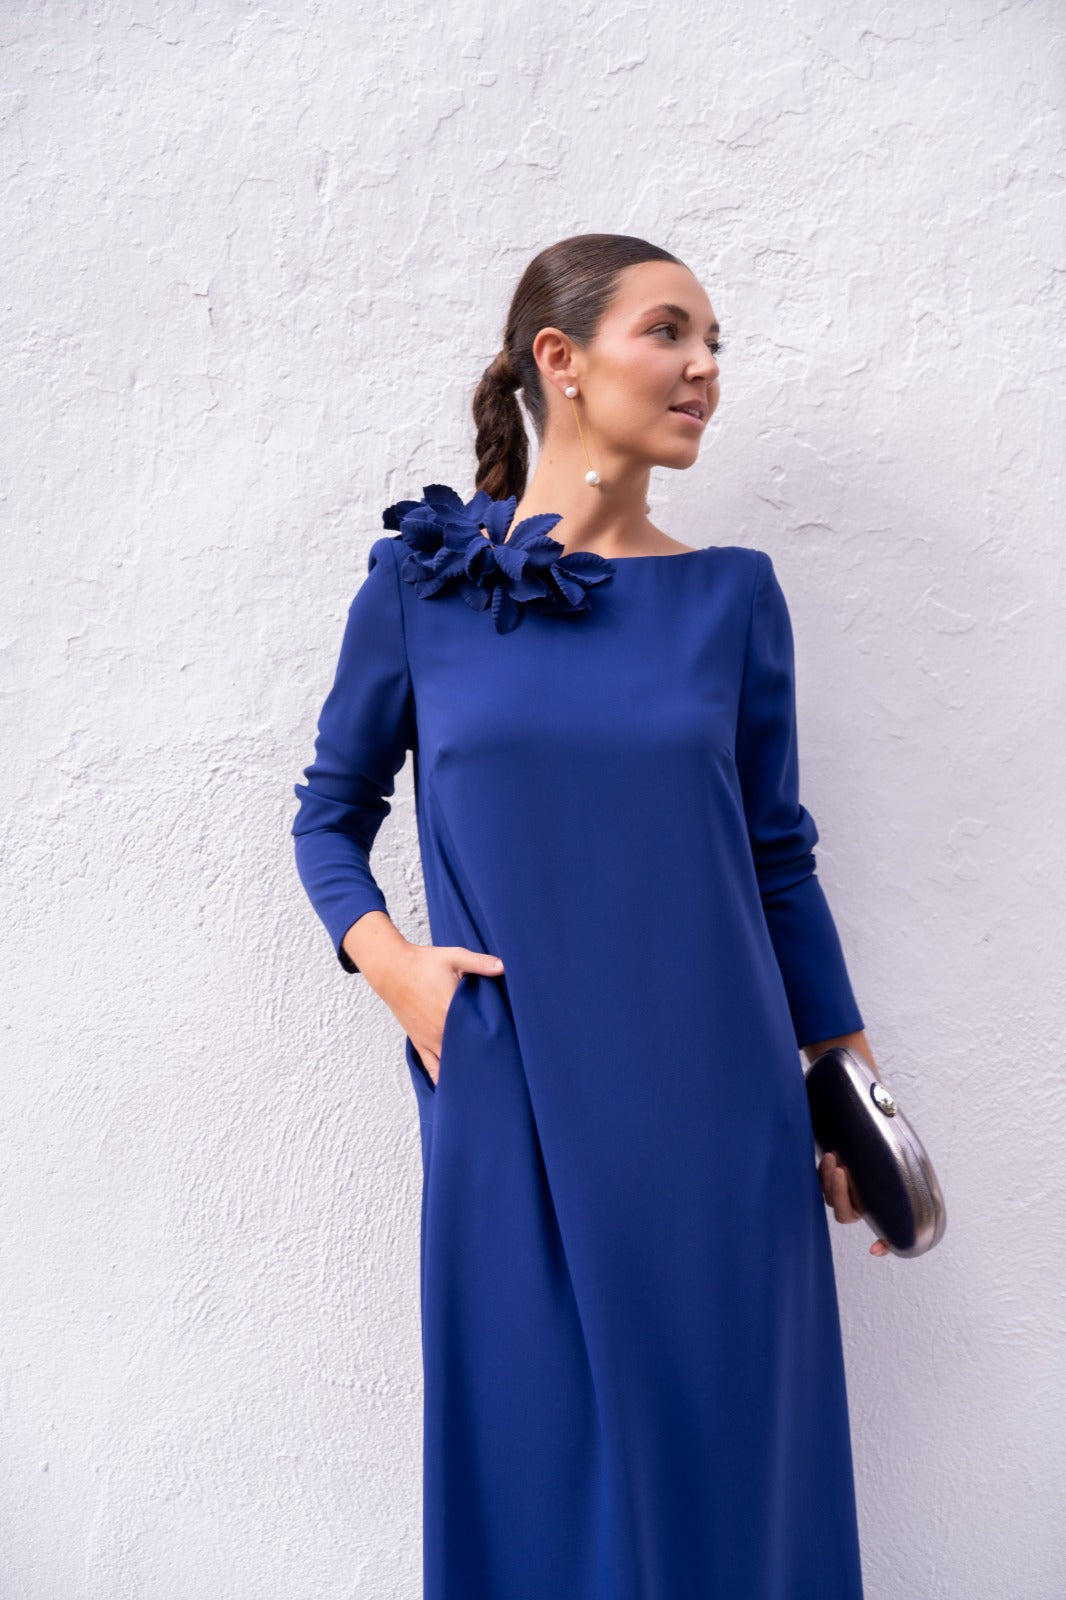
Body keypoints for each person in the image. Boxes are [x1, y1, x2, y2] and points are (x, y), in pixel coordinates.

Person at [292, 232, 888, 1599]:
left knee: (727, 1482)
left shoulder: (732, 597)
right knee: (536, 1460)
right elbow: (329, 814)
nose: (704, 369)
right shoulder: (421, 586)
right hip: (511, 1092)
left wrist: (847, 1082)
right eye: (669, 332)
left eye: (715, 344)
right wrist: (396, 969)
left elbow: (778, 859)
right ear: (558, 360)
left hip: (722, 1113)